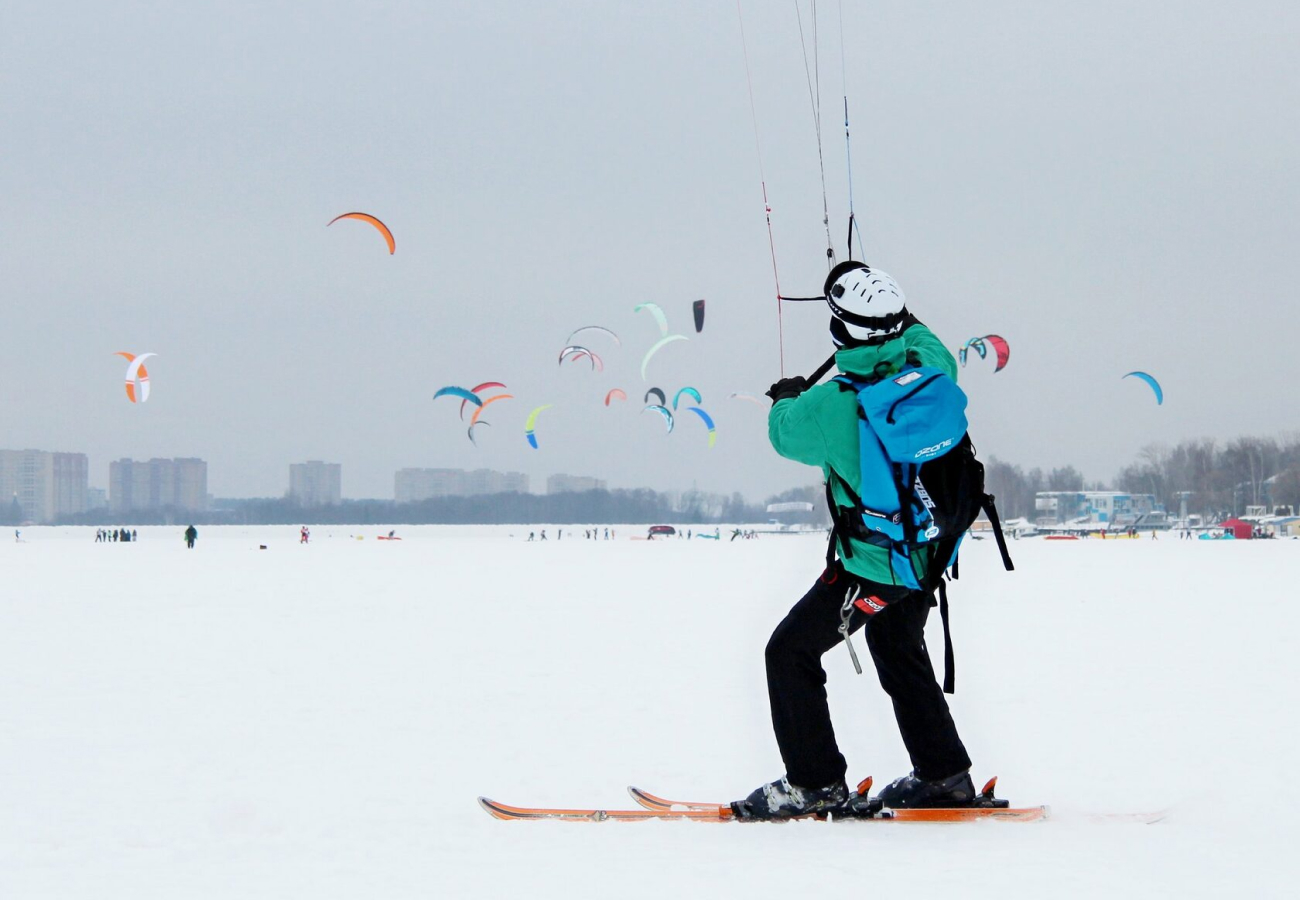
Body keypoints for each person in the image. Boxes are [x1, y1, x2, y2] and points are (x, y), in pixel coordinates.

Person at [733, 262, 976, 820]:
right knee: (895, 646)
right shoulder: (931, 371)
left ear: (841, 331)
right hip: (928, 556)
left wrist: (786, 395)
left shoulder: (829, 406)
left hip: (873, 567)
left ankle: (815, 784)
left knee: (789, 652)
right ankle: (945, 775)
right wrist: (891, 310)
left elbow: (783, 433)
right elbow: (929, 340)